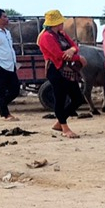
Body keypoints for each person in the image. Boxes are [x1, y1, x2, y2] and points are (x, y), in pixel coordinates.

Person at [37, 10, 84, 139]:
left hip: (66, 69)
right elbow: (58, 55)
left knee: (78, 98)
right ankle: (64, 126)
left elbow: (75, 46)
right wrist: (77, 58)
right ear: (56, 23)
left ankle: (60, 121)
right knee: (60, 98)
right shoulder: (46, 37)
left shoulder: (61, 34)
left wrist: (72, 50)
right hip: (56, 70)